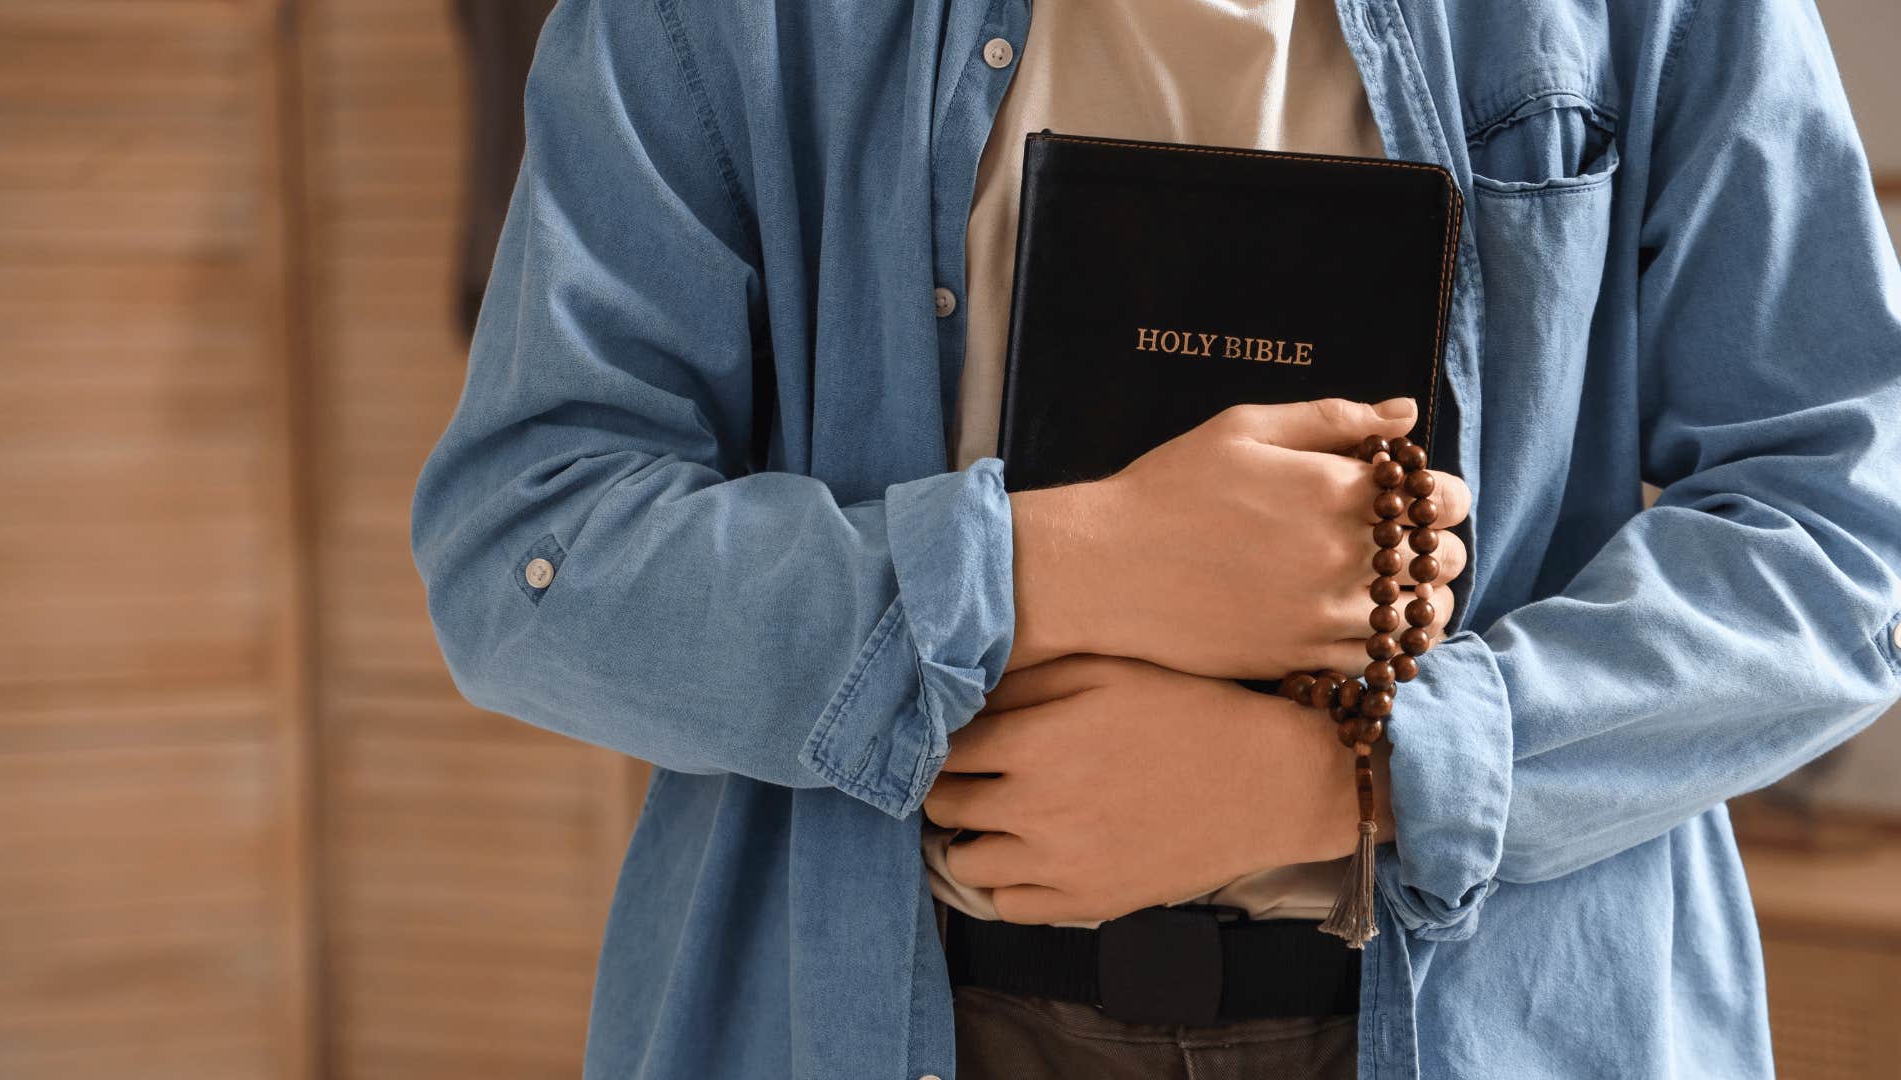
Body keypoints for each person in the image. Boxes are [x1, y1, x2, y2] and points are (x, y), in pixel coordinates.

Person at [409, 1, 1901, 1078]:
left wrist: (1362, 774)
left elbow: (1845, 543)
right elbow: (530, 550)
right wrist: (1071, 562)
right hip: (868, 1015)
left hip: (1510, 1023)